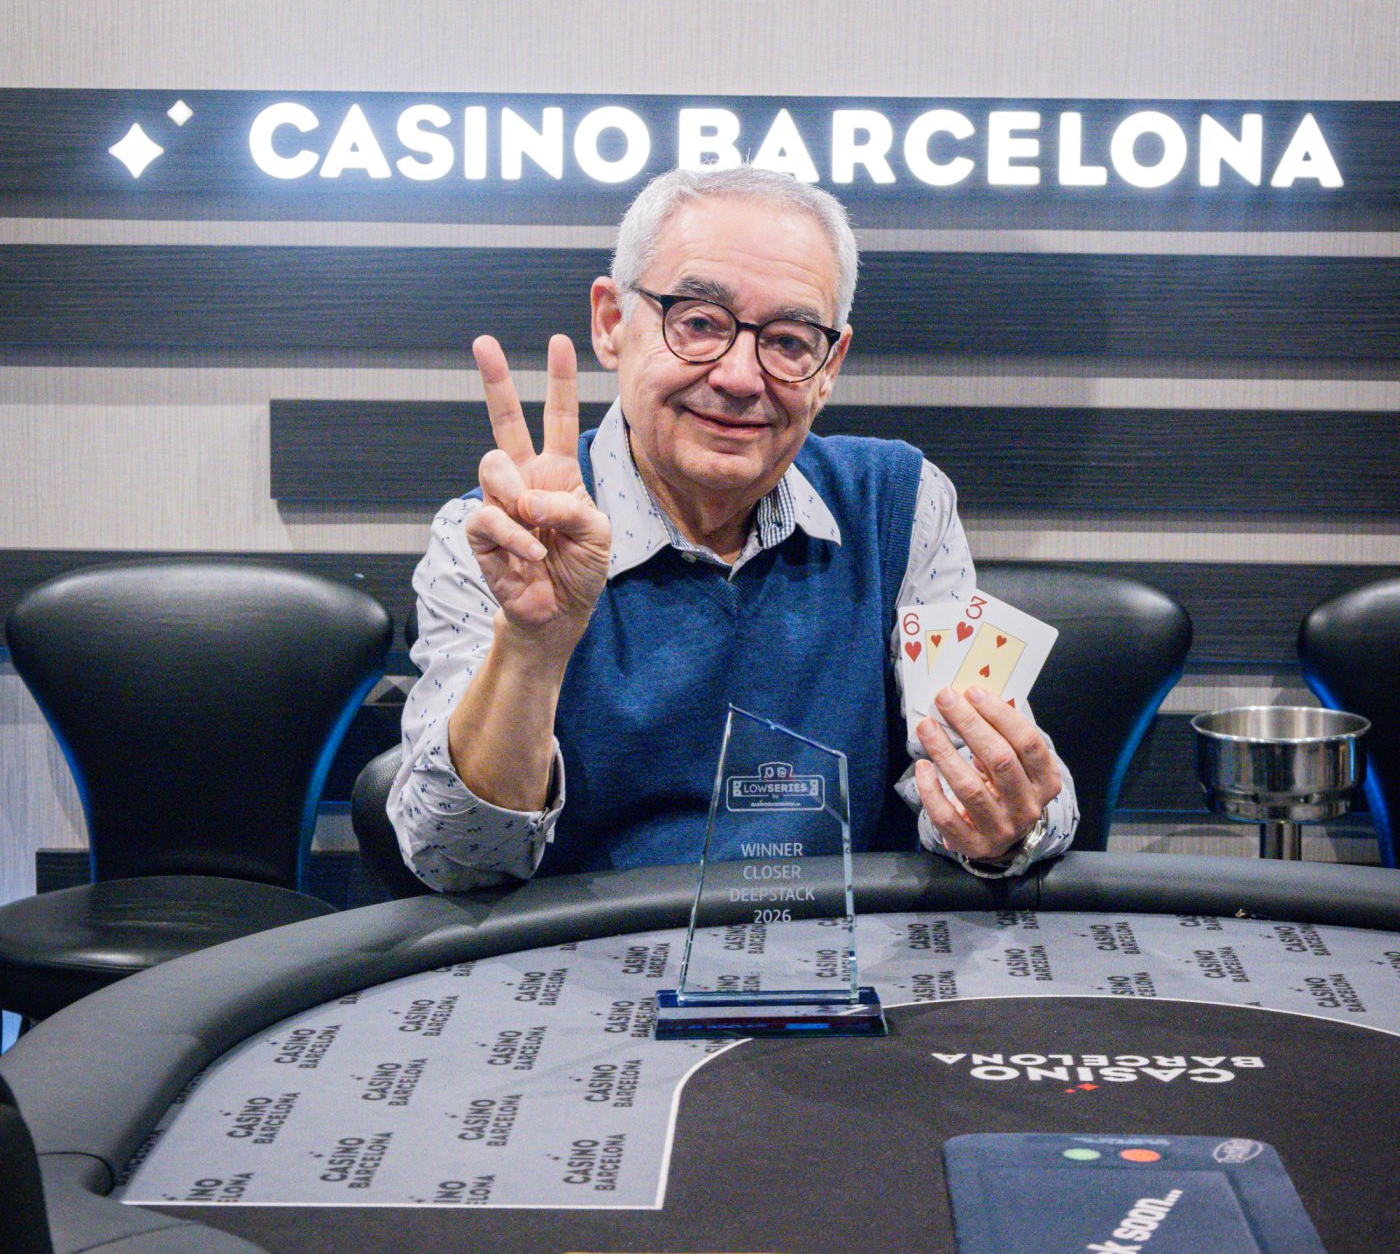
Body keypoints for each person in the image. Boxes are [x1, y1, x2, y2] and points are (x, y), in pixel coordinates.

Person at [389, 168, 1078, 889]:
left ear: (830, 366)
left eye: (789, 341)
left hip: (841, 945)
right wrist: (531, 649)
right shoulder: (501, 537)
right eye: (698, 323)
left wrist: (1004, 825)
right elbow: (454, 857)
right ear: (612, 322)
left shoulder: (899, 506)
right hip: (587, 950)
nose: (740, 377)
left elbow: (1003, 789)